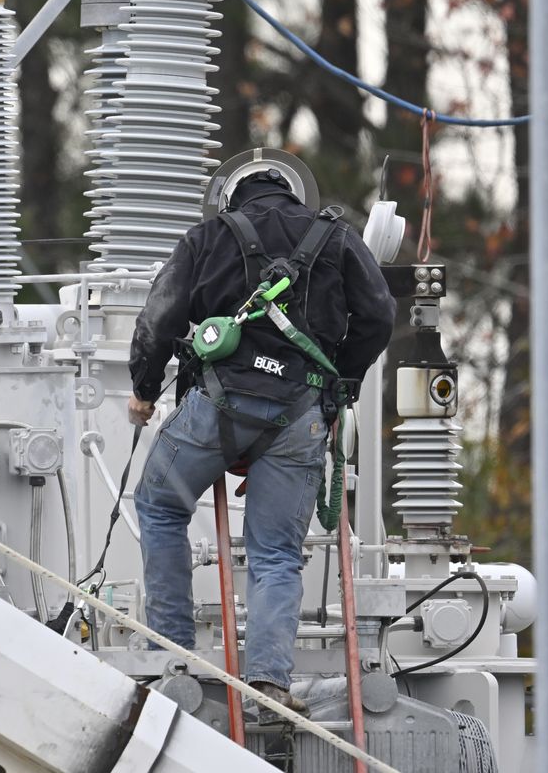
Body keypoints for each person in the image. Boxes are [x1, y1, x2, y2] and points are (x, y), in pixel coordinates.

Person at [126, 165, 395, 716]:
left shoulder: (208, 237)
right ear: (295, 193)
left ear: (229, 197)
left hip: (219, 407)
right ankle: (269, 683)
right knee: (276, 554)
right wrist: (343, 377)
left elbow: (158, 318)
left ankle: (173, 655)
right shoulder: (338, 237)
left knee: (159, 505)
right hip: (302, 414)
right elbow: (379, 315)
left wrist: (145, 389)